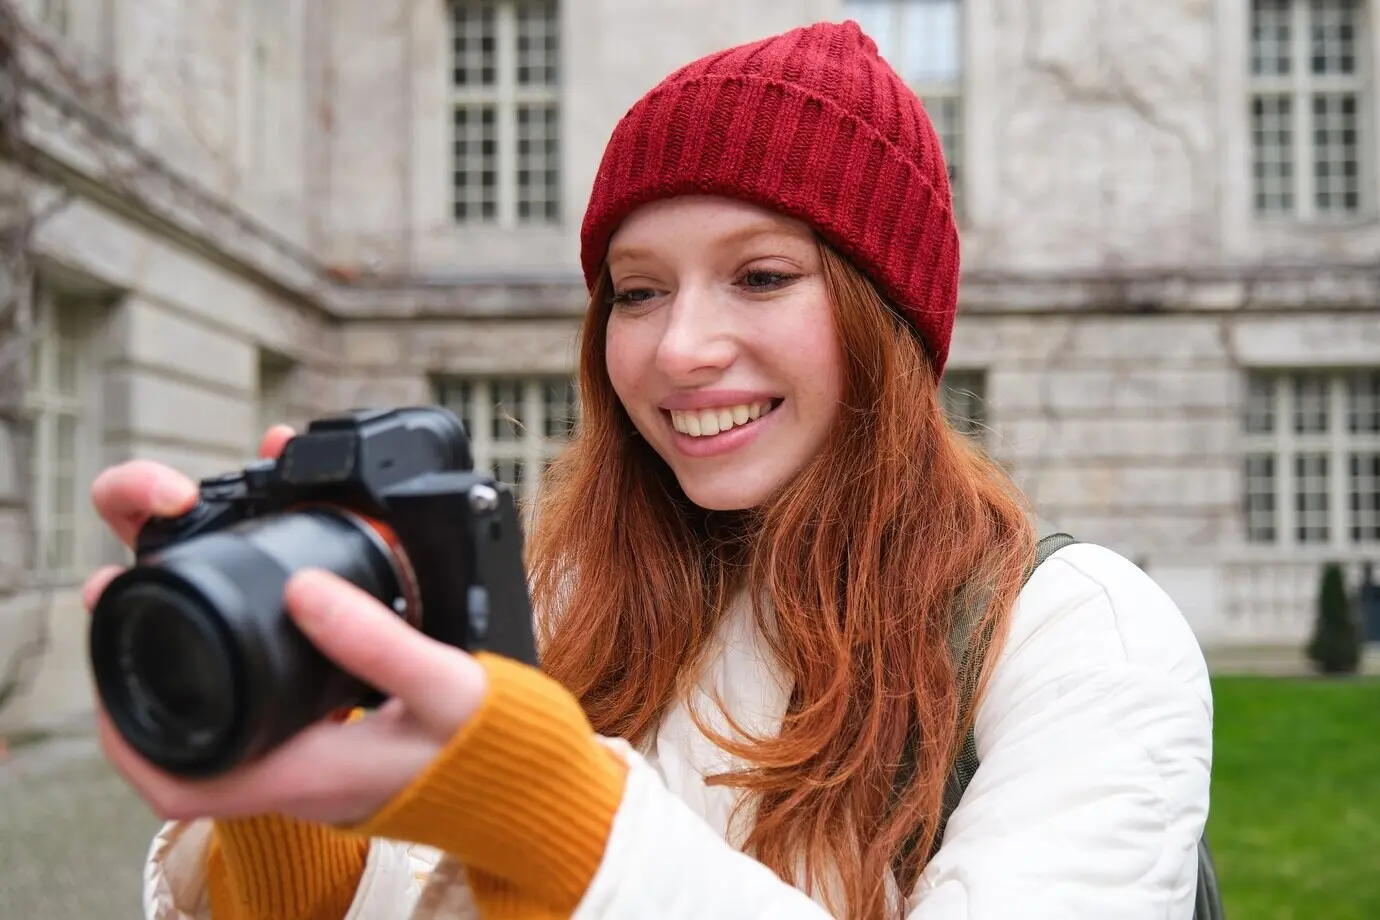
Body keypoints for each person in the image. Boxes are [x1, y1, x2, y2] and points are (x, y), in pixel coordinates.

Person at [85, 19, 1213, 920]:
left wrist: (561, 820)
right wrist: (287, 805)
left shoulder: (1080, 634)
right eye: (637, 289)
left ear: (888, 321)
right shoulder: (558, 594)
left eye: (761, 275)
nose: (679, 348)